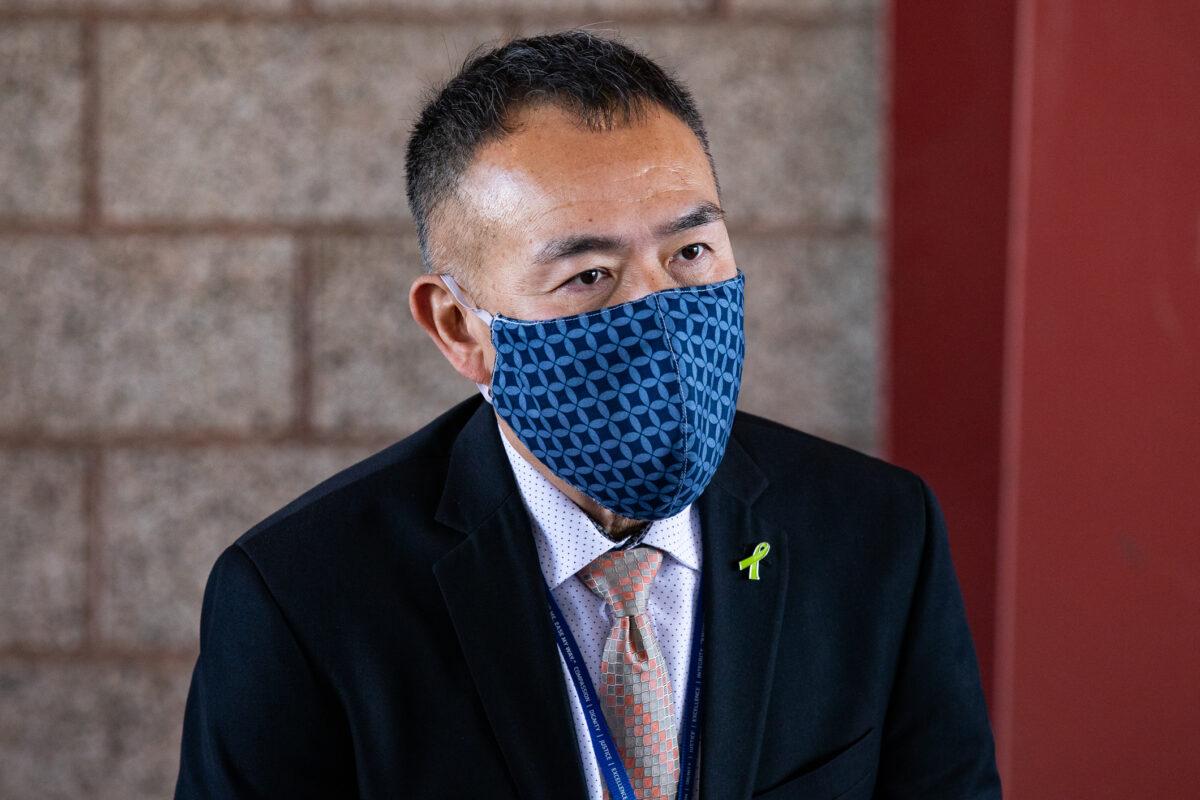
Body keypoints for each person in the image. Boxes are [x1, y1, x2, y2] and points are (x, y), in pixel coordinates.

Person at [175, 29, 1001, 800]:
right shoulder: (303, 597)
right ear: (460, 327)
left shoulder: (877, 536)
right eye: (589, 275)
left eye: (689, 253)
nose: (662, 314)